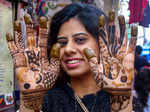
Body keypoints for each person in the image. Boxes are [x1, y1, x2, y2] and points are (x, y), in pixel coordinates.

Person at [42, 3, 111, 112]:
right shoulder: (44, 101)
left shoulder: (121, 100)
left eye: (80, 40)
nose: (68, 49)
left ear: (103, 44)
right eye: (62, 42)